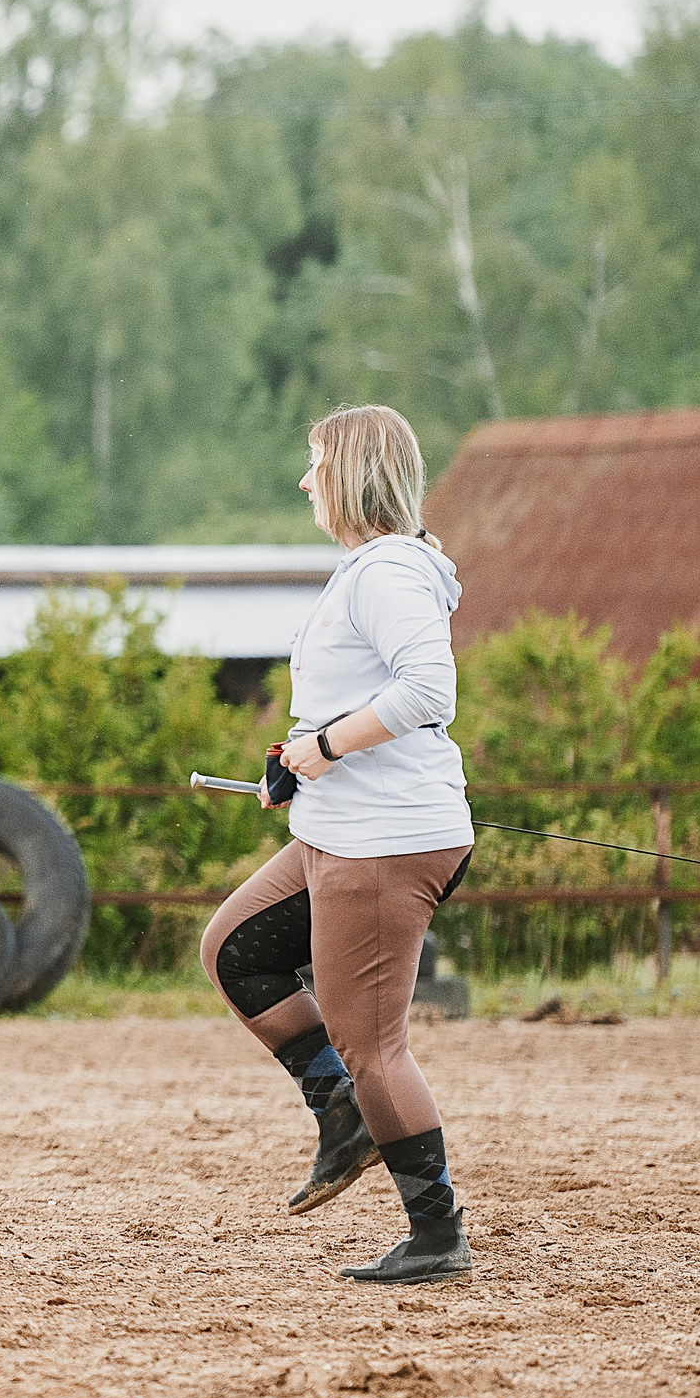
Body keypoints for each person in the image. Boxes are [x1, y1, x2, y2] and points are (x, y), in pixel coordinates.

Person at [199, 404, 475, 1286]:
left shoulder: (388, 570)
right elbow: (358, 699)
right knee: (235, 951)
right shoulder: (366, 571)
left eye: (316, 464)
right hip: (337, 831)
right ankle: (342, 1113)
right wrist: (299, 756)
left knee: (374, 1043)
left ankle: (436, 1234)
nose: (305, 480)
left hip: (385, 842)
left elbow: (430, 688)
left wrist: (323, 748)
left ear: (353, 473)